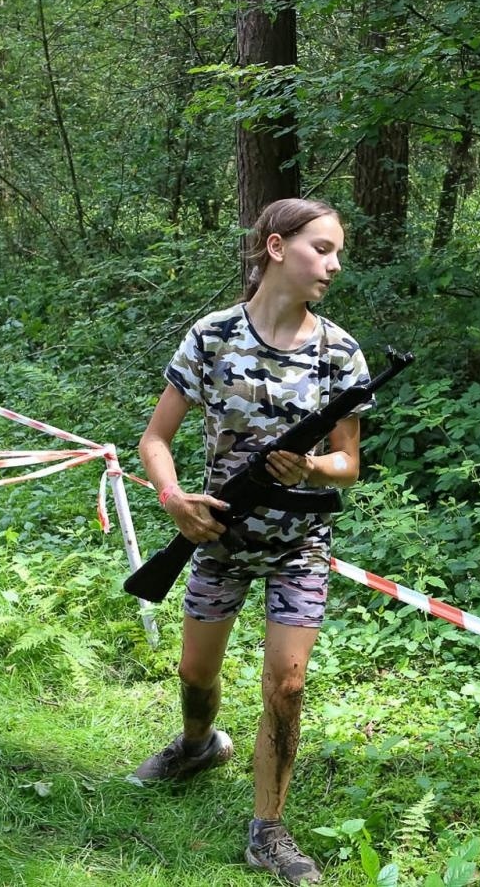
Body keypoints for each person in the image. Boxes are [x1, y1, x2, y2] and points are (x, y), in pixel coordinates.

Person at [132, 198, 372, 885]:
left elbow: (348, 464)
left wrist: (312, 466)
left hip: (301, 543)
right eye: (321, 249)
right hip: (216, 537)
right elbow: (156, 440)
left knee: (287, 685)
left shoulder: (341, 352)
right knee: (195, 676)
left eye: (337, 253)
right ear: (275, 247)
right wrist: (176, 502)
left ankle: (268, 826)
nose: (333, 264)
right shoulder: (211, 338)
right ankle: (198, 745)